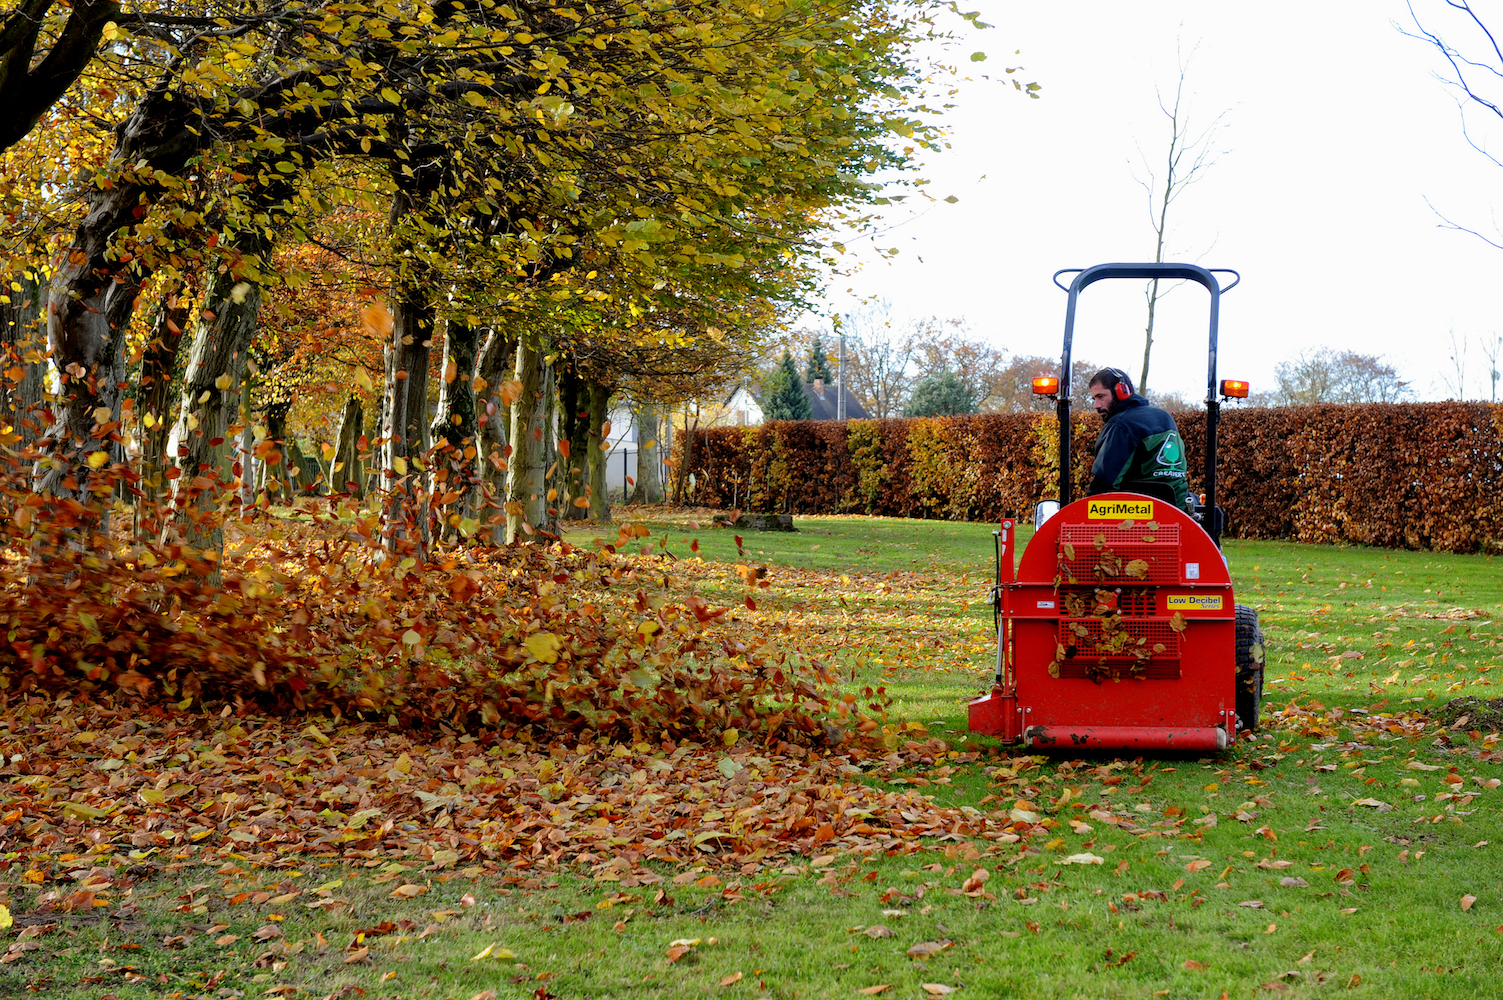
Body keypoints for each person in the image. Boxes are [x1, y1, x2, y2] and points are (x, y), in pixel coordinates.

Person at [1086, 367, 1192, 510]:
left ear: (1122, 391)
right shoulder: (1165, 417)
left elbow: (1104, 484)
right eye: (1094, 399)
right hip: (1179, 508)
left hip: (1138, 514)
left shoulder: (1120, 425)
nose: (1096, 406)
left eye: (1101, 397)